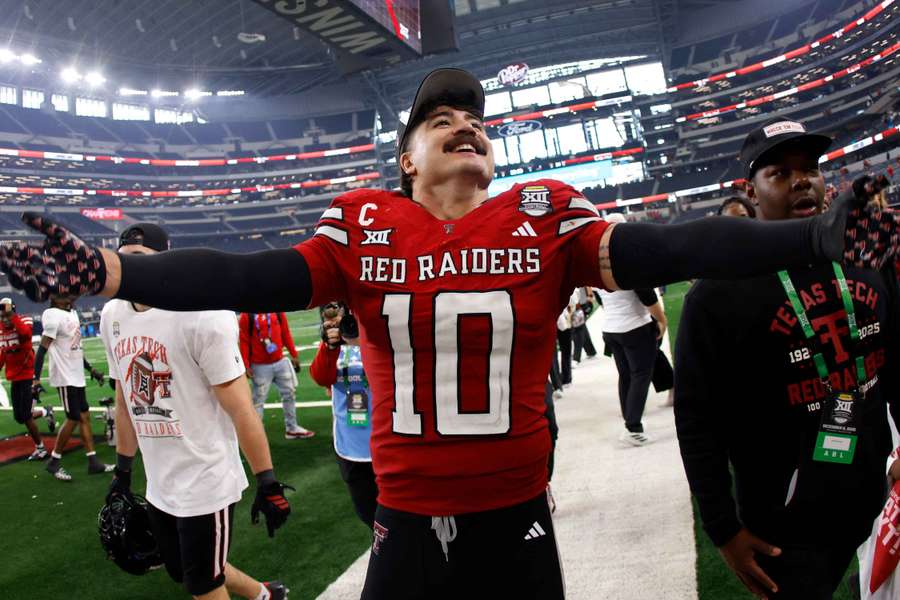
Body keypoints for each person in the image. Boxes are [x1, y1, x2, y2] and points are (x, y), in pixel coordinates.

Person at [2, 69, 898, 600]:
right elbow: (251, 274)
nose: (466, 126)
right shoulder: (360, 225)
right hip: (402, 519)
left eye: (476, 123)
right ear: (406, 159)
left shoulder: (544, 216)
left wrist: (811, 238)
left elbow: (671, 245)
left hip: (516, 521)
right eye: (441, 122)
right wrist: (117, 275)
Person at [675, 119, 900, 599]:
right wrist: (722, 528)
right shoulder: (715, 293)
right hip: (786, 522)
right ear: (750, 192)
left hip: (869, 489)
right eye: (779, 172)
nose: (802, 180)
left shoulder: (865, 256)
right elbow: (697, 420)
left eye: (810, 168)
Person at [100, 223, 290, 600]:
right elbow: (125, 401)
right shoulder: (112, 315)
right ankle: (264, 594)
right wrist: (123, 471)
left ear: (167, 261)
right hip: (159, 480)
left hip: (207, 478)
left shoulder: (202, 313)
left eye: (140, 259)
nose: (130, 267)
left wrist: (267, 481)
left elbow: (241, 409)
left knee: (203, 584)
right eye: (124, 258)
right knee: (186, 571)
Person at [308, 301, 377, 529]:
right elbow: (321, 377)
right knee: (368, 514)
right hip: (350, 446)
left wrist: (363, 339)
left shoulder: (377, 335)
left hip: (386, 441)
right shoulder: (333, 344)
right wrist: (330, 347)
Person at [35, 293, 111, 481]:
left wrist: (90, 369)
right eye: (65, 294)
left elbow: (75, 347)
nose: (70, 297)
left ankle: (93, 462)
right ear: (54, 298)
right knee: (73, 417)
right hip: (64, 376)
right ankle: (53, 462)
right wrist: (35, 379)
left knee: (84, 416)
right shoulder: (52, 314)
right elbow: (42, 348)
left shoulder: (72, 314)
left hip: (77, 375)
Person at [598, 280, 667, 446]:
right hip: (635, 326)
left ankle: (630, 419)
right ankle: (633, 426)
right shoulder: (626, 264)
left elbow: (600, 299)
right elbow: (646, 293)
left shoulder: (597, 267)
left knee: (626, 376)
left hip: (611, 327)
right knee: (640, 376)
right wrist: (661, 319)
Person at [238, 311, 314, 439]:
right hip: (259, 365)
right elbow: (244, 341)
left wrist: (293, 353)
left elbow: (285, 332)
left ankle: (292, 427)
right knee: (258, 401)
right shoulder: (247, 315)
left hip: (280, 361)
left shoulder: (277, 310)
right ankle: (257, 433)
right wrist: (245, 364)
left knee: (289, 394)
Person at [0, 296, 54, 460]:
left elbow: (25, 335)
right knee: (19, 417)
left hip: (27, 375)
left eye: (7, 315)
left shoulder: (24, 321)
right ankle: (46, 411)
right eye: (2, 315)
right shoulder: (1, 328)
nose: (4, 319)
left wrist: (11, 316)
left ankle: (41, 448)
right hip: (14, 376)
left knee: (25, 415)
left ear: (14, 312)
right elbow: (3, 352)